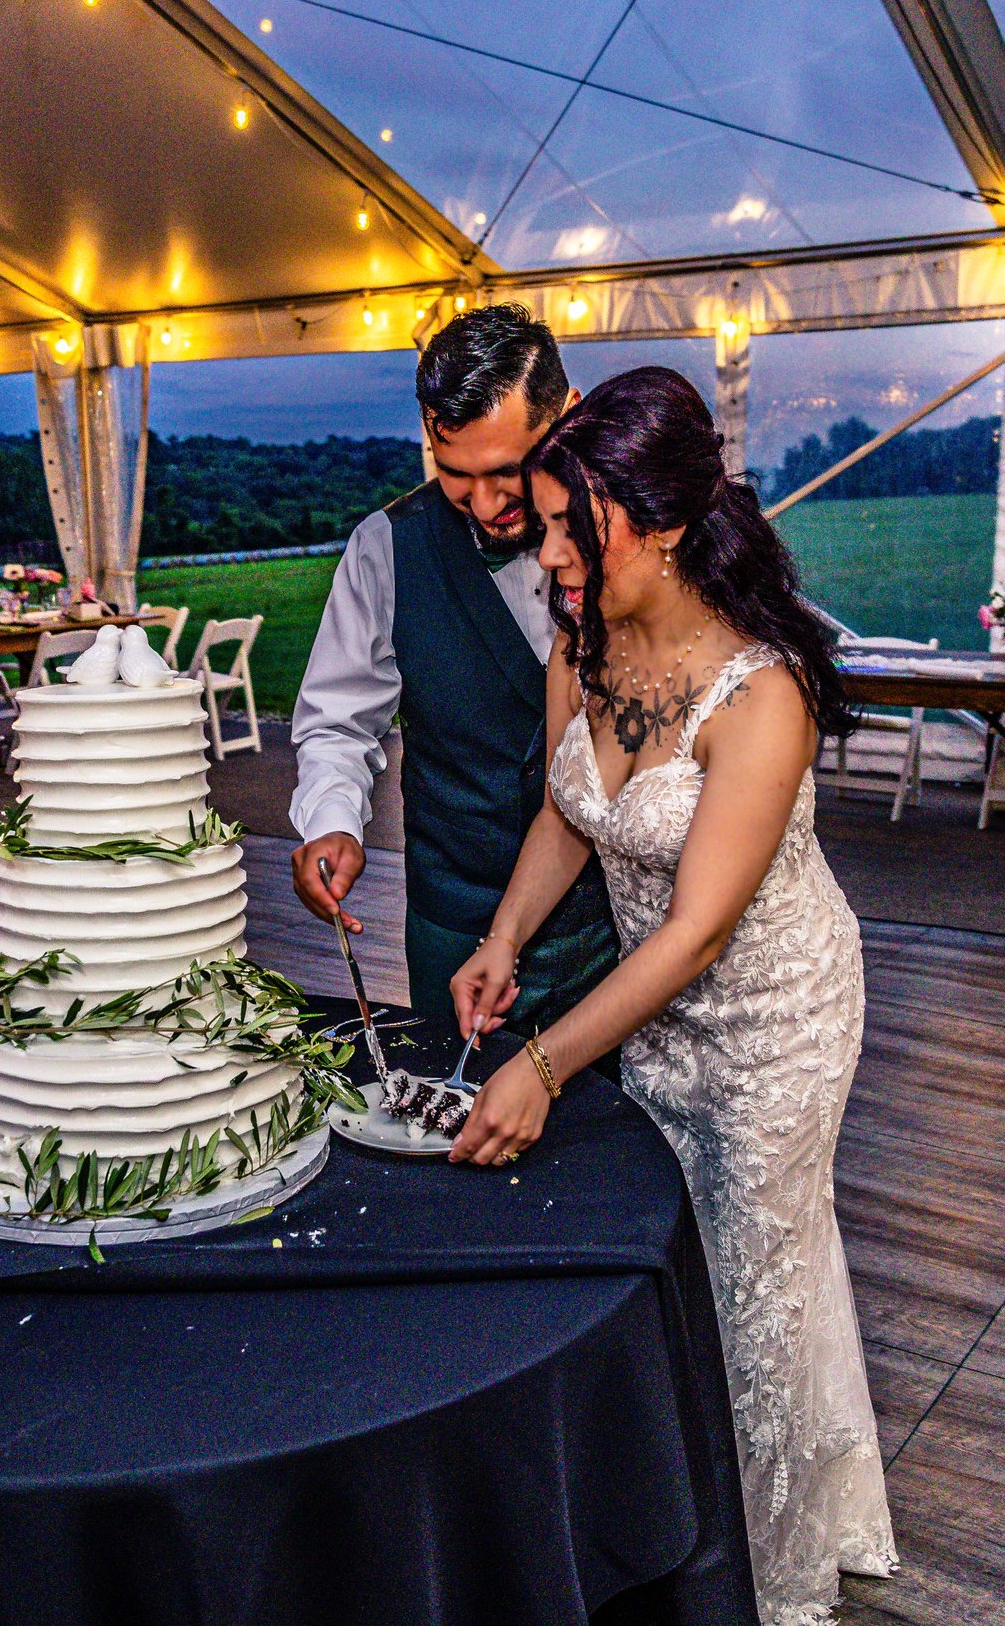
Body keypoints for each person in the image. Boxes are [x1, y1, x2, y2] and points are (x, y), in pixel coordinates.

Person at [447, 367, 895, 1621]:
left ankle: (774, 1572)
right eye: (539, 522)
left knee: (756, 1282)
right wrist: (504, 937)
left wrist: (542, 1064)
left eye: (564, 526)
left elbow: (698, 930)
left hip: (772, 1017)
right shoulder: (580, 639)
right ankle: (683, 1531)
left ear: (661, 522)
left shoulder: (762, 691)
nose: (544, 552)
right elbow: (566, 810)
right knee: (683, 1273)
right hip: (655, 1014)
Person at [288, 305, 621, 1038]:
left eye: (509, 470)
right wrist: (332, 821)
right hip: (454, 930)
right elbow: (337, 721)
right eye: (454, 474)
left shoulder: (629, 538)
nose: (488, 503)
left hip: (616, 931)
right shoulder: (385, 549)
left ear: (569, 415)